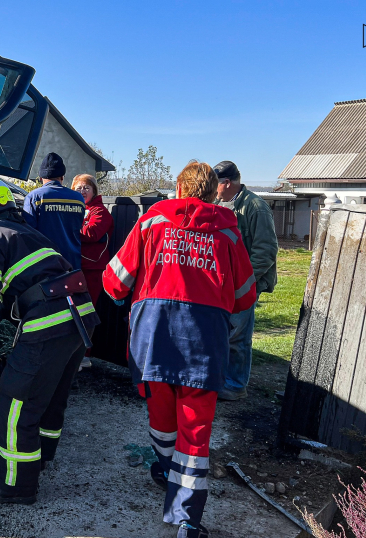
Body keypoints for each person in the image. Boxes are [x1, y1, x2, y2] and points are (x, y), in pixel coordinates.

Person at [103, 162, 256, 538]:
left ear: (179, 187)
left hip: (153, 337)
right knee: (195, 429)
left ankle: (164, 466)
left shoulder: (152, 221)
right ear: (211, 192)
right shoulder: (228, 233)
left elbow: (115, 281)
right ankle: (186, 519)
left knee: (161, 414)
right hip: (203, 342)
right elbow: (244, 295)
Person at [0, 177, 99, 504]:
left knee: (15, 401)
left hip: (50, 318)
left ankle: (13, 485)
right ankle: (40, 455)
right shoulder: (28, 233)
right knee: (50, 394)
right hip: (81, 313)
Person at [213, 160, 278, 401]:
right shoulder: (219, 203)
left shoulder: (255, 207)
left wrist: (245, 282)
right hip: (223, 282)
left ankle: (235, 385)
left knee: (237, 334)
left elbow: (266, 250)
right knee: (223, 332)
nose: (213, 188)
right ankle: (223, 378)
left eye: (216, 184)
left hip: (244, 284)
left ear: (227, 183)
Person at [71, 174, 114, 369]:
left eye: (86, 188)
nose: (82, 191)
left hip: (92, 270)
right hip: (74, 267)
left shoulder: (100, 212)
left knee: (87, 312)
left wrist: (69, 227)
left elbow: (92, 233)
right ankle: (70, 353)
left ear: (94, 191)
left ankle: (83, 355)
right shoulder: (75, 210)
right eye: (78, 188)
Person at [23, 152, 85, 270]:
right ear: (62, 177)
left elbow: (27, 233)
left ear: (41, 178)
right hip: (72, 262)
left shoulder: (33, 197)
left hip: (44, 264)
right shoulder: (78, 198)